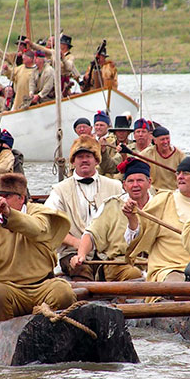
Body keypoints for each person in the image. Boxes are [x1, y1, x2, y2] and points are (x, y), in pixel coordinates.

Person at [0, 174, 76, 321]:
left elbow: (36, 229)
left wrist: (8, 214)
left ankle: (55, 333)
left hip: (43, 287)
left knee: (63, 292)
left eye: (6, 196)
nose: (0, 200)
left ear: (21, 198)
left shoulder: (40, 214)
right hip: (9, 290)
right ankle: (6, 337)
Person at [45, 136, 124, 281]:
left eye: (88, 156)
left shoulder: (115, 186)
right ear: (73, 162)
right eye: (80, 157)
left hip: (109, 254)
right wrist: (76, 243)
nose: (84, 160)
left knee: (126, 273)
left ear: (97, 160)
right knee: (81, 270)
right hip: (72, 253)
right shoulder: (60, 190)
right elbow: (50, 225)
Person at [125, 157, 190, 285]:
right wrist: (131, 218)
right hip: (170, 268)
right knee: (178, 288)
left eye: (186, 173)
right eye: (178, 173)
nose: (180, 177)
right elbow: (135, 239)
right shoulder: (163, 200)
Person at [70, 158, 150, 282]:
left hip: (153, 263)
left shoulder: (160, 204)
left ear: (149, 182)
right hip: (119, 264)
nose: (135, 185)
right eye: (130, 181)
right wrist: (80, 255)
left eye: (140, 180)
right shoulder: (111, 205)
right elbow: (91, 234)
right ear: (124, 185)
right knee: (134, 274)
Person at [140, 126, 185, 192]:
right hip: (154, 191)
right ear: (155, 141)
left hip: (174, 191)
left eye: (167, 138)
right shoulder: (147, 153)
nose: (166, 142)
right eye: (162, 139)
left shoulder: (180, 155)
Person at [0, 44, 36, 111]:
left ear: (30, 59)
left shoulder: (35, 70)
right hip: (19, 98)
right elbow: (12, 75)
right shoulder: (21, 68)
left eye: (25, 57)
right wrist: (7, 70)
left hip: (30, 99)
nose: (23, 58)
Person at [94, 110, 121, 177]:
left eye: (101, 125)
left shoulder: (113, 142)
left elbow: (111, 163)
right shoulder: (91, 141)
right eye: (96, 125)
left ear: (108, 126)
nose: (98, 127)